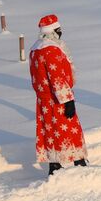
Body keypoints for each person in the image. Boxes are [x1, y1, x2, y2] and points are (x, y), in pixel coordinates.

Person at [28, 14, 89, 176]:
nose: (61, 33)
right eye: (59, 30)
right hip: (58, 98)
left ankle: (54, 164)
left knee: (50, 131)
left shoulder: (35, 49)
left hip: (43, 100)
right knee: (69, 129)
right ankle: (78, 161)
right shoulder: (52, 50)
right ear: (53, 31)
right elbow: (57, 77)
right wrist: (68, 99)